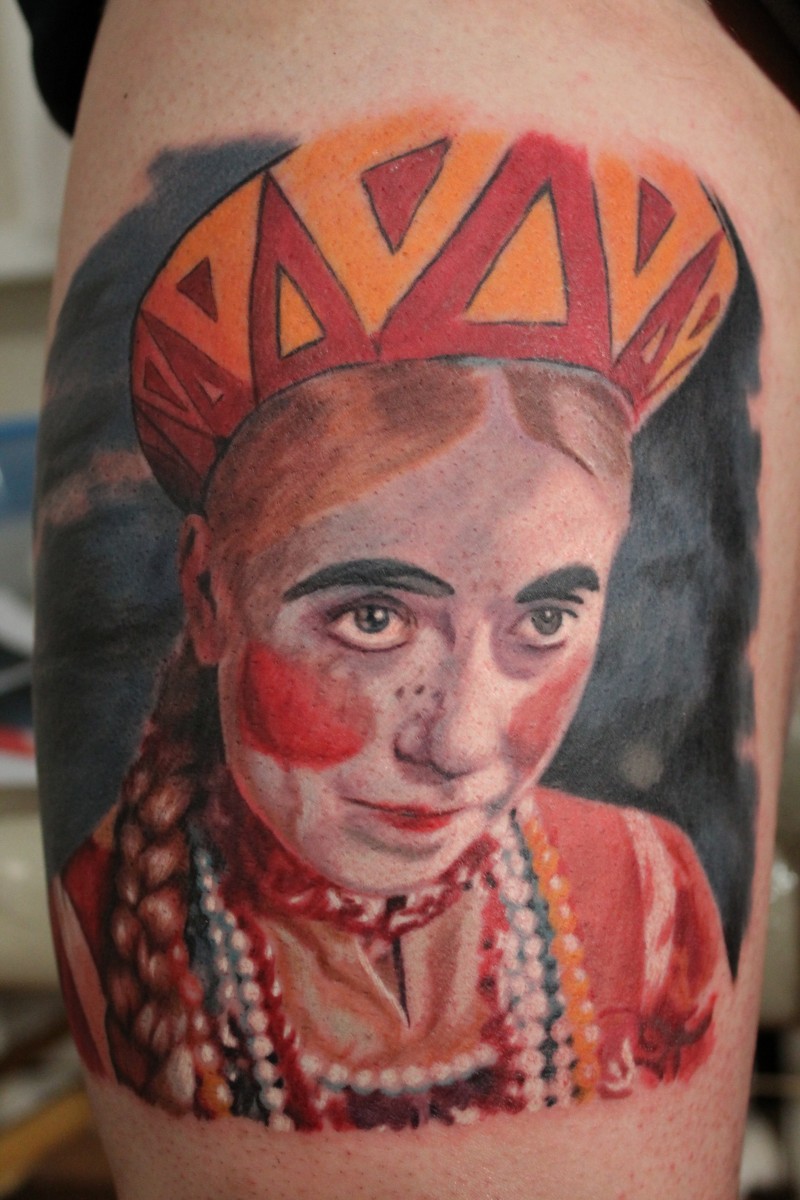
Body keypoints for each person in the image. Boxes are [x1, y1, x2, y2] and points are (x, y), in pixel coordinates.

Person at [32, 2, 800, 1196]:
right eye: (373, 618)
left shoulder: (648, 898)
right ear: (206, 592)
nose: (461, 745)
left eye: (543, 620)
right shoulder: (113, 922)